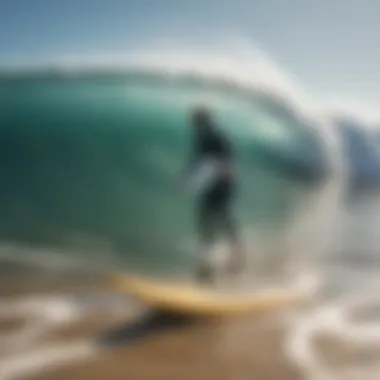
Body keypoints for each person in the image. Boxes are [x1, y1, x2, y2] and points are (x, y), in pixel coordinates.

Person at [180, 106, 243, 282]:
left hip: (223, 183)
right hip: (215, 183)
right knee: (209, 218)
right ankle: (209, 262)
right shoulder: (203, 136)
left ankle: (234, 255)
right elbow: (197, 160)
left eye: (194, 119)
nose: (192, 123)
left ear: (201, 120)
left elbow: (227, 156)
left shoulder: (213, 135)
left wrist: (222, 173)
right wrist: (186, 179)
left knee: (219, 217)